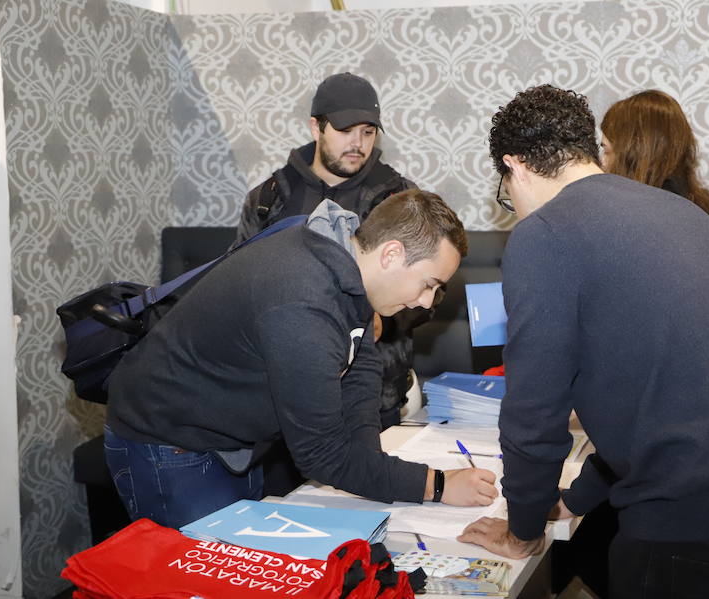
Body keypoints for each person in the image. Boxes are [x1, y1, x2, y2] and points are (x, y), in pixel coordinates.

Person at [458, 85, 709, 599]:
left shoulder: (545, 235)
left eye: (505, 192)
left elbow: (533, 413)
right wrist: (572, 500)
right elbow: (662, 402)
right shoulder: (683, 212)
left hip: (702, 528)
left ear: (514, 165)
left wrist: (523, 530)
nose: (513, 207)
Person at [105, 190, 498, 529]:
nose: (426, 301)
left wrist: (371, 466)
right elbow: (321, 455)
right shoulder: (302, 300)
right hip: (170, 445)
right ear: (392, 254)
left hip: (233, 440)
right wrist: (439, 485)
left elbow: (360, 371)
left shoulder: (347, 264)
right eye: (429, 284)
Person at [233, 72, 424, 495]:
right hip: (280, 415)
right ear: (315, 127)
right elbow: (241, 289)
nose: (358, 142)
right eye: (344, 130)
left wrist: (384, 318)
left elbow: (431, 292)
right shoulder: (268, 199)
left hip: (376, 403)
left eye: (368, 131)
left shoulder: (401, 199)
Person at [600, 89, 709, 251]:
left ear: (633, 154)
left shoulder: (650, 220)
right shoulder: (705, 210)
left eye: (607, 151)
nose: (602, 162)